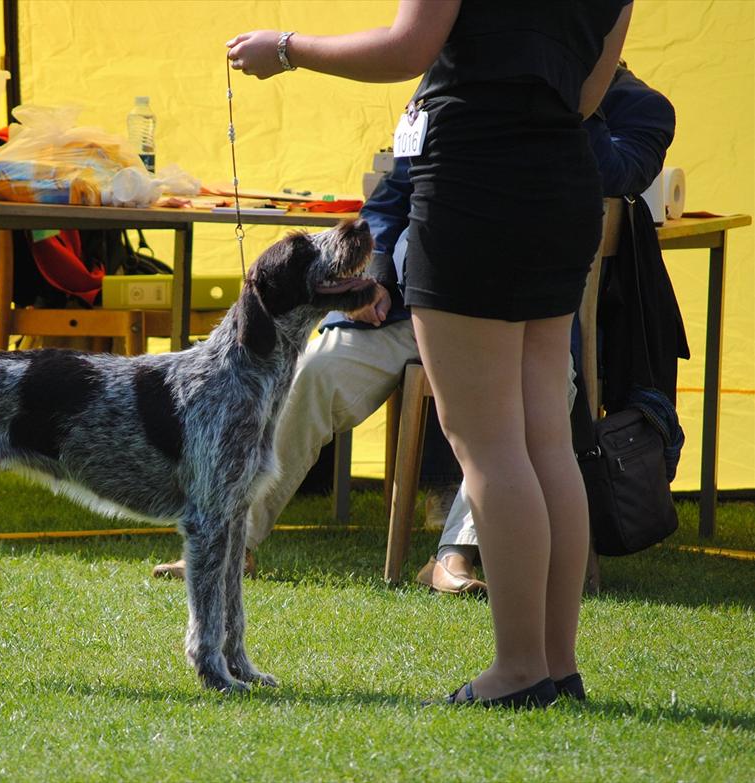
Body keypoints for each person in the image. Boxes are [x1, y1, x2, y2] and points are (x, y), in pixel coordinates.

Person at [223, 1, 634, 708]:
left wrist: (286, 49)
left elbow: (408, 46)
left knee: (489, 445)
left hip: (476, 178)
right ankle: (557, 666)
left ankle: (518, 669)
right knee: (544, 442)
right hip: (563, 182)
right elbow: (589, 92)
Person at [153, 63, 674, 599]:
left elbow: (614, 176)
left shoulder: (642, 109)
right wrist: (372, 280)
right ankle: (233, 543)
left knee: (524, 404)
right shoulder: (458, 79)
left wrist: (571, 99)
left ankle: (453, 556)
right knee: (316, 372)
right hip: (407, 309)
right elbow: (393, 193)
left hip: (522, 328)